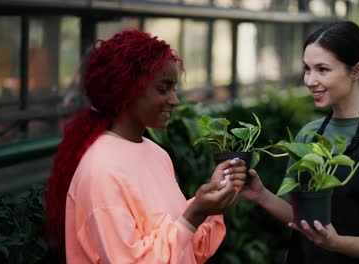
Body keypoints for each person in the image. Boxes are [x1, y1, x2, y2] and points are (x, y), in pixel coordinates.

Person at [44, 29, 247, 264]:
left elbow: (188, 250)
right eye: (164, 89)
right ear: (128, 89)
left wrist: (213, 198)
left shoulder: (156, 154)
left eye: (175, 89)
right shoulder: (101, 170)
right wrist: (196, 213)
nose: (175, 100)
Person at [241, 21, 359, 263]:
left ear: (356, 70)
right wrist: (260, 194)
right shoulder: (309, 135)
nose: (310, 80)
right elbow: (300, 218)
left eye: (322, 69)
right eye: (307, 69)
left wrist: (334, 243)